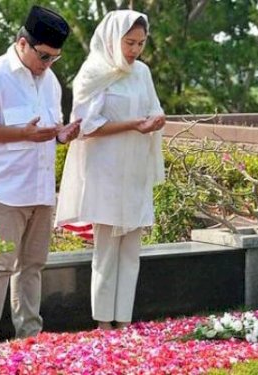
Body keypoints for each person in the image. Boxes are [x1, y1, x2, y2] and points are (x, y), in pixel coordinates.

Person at [0, 5, 80, 340]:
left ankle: (29, 337)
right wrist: (22, 134)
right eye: (44, 56)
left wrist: (61, 134)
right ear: (22, 43)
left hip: (39, 187)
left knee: (33, 266)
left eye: (54, 58)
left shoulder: (50, 80)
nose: (48, 64)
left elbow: (46, 128)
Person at [55, 10, 166, 330]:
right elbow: (86, 126)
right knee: (105, 251)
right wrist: (134, 124)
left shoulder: (142, 72)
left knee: (131, 250)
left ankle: (125, 322)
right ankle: (103, 323)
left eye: (141, 43)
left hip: (135, 172)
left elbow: (154, 108)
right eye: (129, 42)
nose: (135, 50)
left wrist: (155, 120)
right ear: (113, 38)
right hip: (104, 172)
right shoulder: (93, 72)